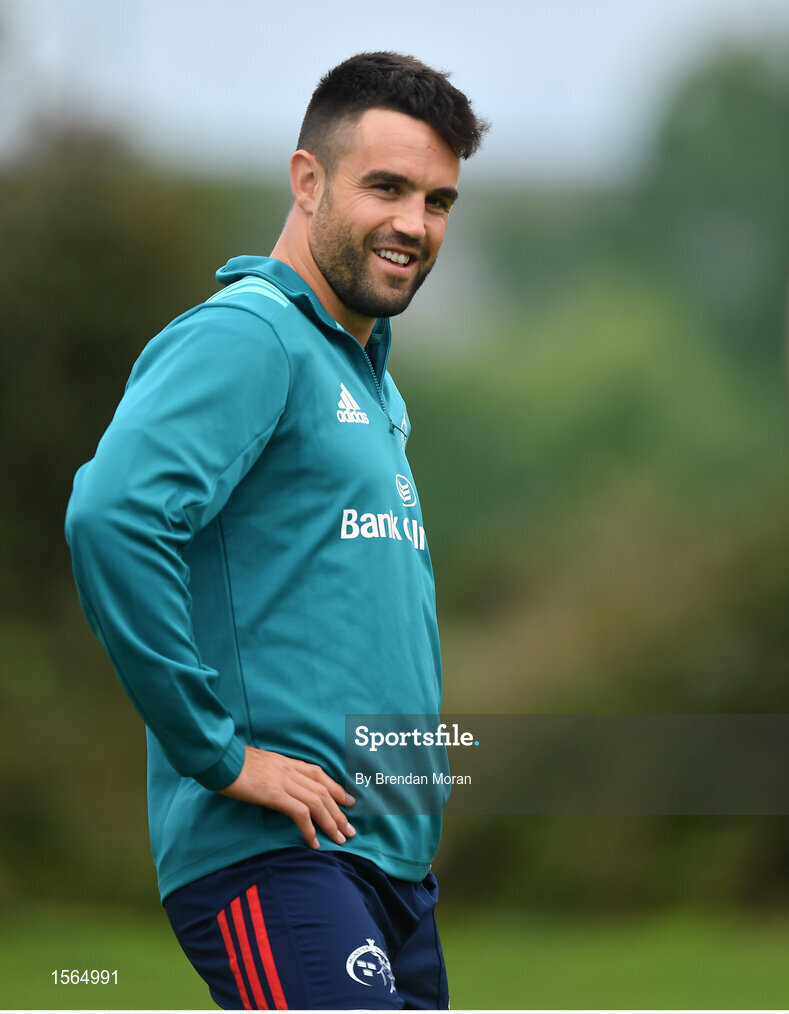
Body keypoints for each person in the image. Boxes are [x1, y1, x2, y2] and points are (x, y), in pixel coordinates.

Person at [65, 51, 487, 1010]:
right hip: (276, 861)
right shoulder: (250, 336)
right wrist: (219, 753)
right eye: (386, 187)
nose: (413, 224)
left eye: (437, 200)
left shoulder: (365, 374)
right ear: (308, 181)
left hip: (389, 873)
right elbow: (114, 519)